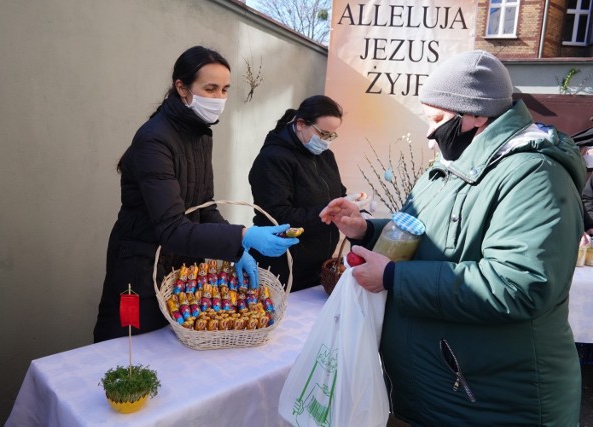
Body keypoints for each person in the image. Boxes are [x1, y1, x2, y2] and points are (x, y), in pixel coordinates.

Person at [320, 50, 583, 425]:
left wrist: (393, 277)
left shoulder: (535, 175)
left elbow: (519, 284)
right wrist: (366, 229)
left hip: (492, 400)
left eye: (439, 119)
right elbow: (426, 234)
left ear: (476, 115)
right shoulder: (451, 165)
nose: (431, 135)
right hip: (442, 390)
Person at [93, 46, 298, 343]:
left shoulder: (199, 134)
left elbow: (205, 208)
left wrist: (238, 249)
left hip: (179, 268)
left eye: (225, 89)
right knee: (128, 346)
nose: (219, 98)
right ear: (182, 88)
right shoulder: (155, 140)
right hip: (137, 271)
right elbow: (171, 227)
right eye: (210, 88)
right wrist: (242, 235)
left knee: (174, 353)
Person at [248, 95, 347, 292]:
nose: (326, 142)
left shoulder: (325, 156)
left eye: (331, 136)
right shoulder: (273, 159)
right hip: (283, 267)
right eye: (323, 134)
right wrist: (326, 213)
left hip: (318, 266)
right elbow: (277, 217)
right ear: (301, 124)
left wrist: (349, 203)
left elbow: (337, 192)